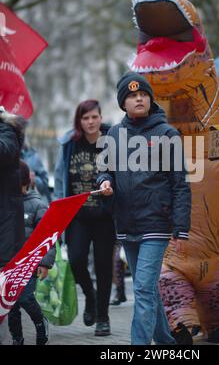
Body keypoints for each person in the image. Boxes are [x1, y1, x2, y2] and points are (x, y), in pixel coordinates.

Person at [98, 73, 191, 345]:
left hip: (157, 224)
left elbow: (181, 185)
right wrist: (104, 182)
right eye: (131, 95)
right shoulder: (114, 134)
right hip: (126, 224)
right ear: (122, 103)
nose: (138, 98)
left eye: (143, 94)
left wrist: (181, 228)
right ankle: (167, 343)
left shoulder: (167, 133)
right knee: (147, 290)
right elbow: (105, 170)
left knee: (142, 289)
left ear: (150, 99)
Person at [54, 100, 115, 337]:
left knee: (103, 267)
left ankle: (103, 318)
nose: (90, 122)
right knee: (77, 260)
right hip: (77, 215)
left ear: (100, 117)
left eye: (94, 117)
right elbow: (60, 179)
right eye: (85, 118)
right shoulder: (70, 144)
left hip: (104, 216)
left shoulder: (111, 141)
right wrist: (59, 211)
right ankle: (90, 297)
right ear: (79, 120)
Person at [8, 160, 55, 345]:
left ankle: (40, 322)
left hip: (30, 263)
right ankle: (17, 338)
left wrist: (45, 262)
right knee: (10, 304)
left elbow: (48, 236)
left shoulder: (37, 205)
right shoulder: (6, 204)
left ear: (26, 183)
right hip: (9, 262)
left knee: (26, 298)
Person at [0, 107, 26, 345]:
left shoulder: (7, 130)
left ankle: (15, 335)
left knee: (7, 286)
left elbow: (6, 152)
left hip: (5, 225)